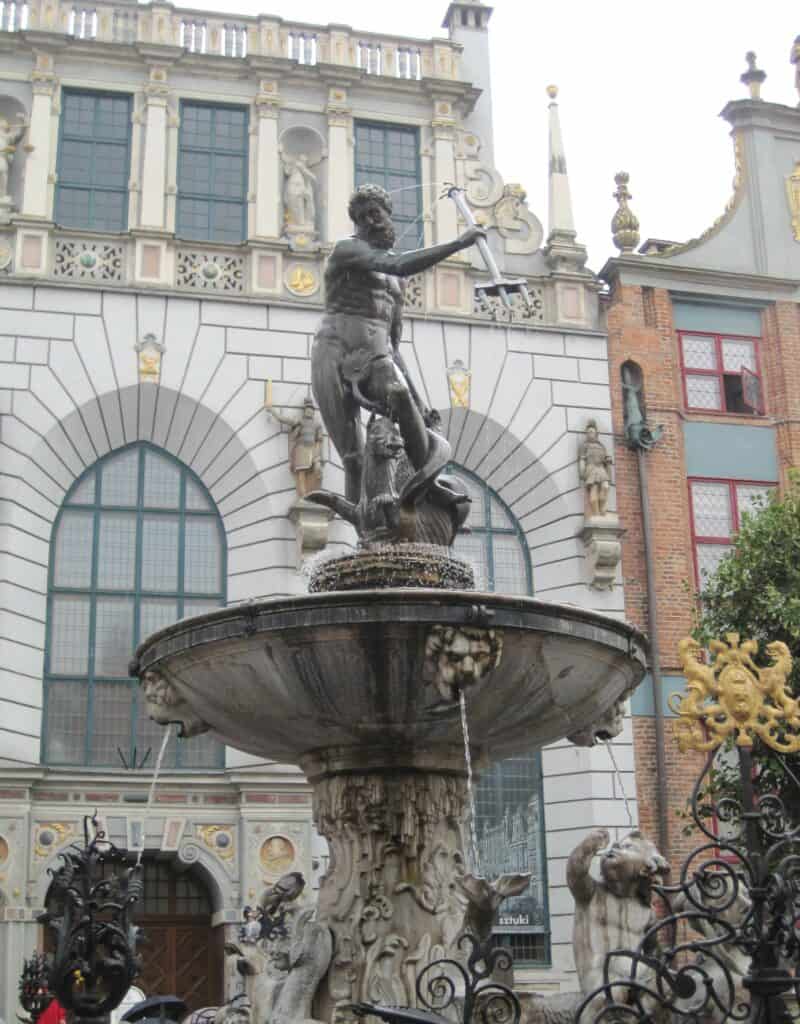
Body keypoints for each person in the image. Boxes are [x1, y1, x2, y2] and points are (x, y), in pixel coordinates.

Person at [311, 183, 484, 503]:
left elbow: (393, 344)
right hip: (335, 354)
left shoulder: (396, 282)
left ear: (389, 216)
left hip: (375, 355)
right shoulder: (347, 250)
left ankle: (427, 486)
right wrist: (459, 244)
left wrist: (420, 401)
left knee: (403, 398)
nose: (371, 222)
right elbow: (398, 262)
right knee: (354, 459)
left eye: (375, 214)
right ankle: (364, 535)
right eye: (362, 218)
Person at [265, 396, 323, 499]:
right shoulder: (299, 421)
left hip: (312, 449)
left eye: (311, 410)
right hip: (301, 449)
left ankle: (313, 494)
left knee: (317, 470)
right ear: (304, 411)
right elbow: (283, 419)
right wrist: (273, 411)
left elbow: (319, 441)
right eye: (307, 410)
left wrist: (317, 455)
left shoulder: (317, 425)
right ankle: (304, 495)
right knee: (301, 472)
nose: (309, 412)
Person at [578, 419, 612, 518]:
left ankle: (602, 508)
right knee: (594, 489)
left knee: (605, 486)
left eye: (592, 432)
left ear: (596, 433)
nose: (590, 434)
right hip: (591, 468)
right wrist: (582, 472)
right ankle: (596, 513)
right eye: (588, 432)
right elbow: (582, 459)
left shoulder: (601, 446)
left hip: (601, 468)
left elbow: (606, 459)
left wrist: (608, 461)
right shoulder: (584, 446)